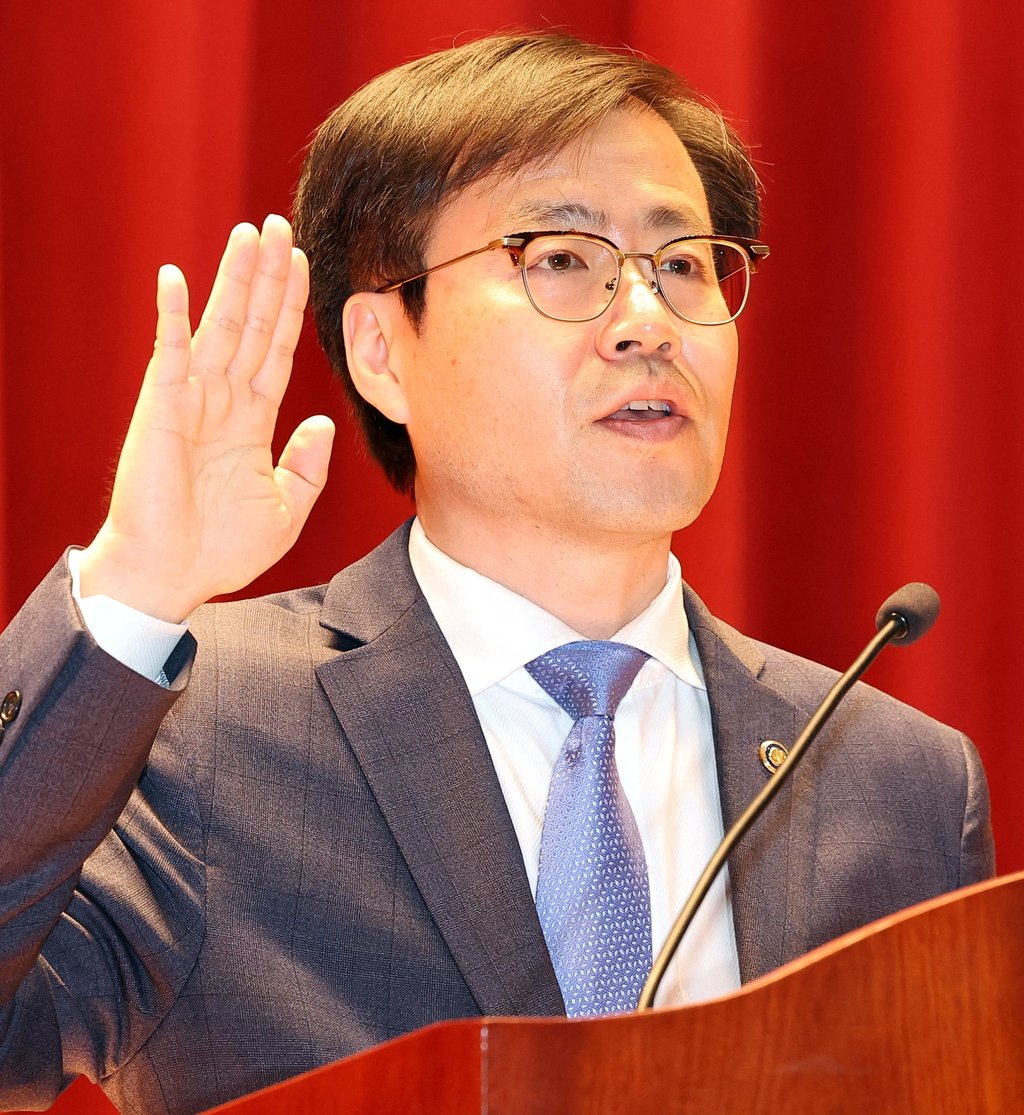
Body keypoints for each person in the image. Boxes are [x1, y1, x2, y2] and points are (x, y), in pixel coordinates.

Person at [0, 31, 993, 1115]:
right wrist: (132, 589)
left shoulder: (894, 780)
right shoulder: (199, 726)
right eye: (561, 258)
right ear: (382, 350)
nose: (648, 322)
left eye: (682, 264)